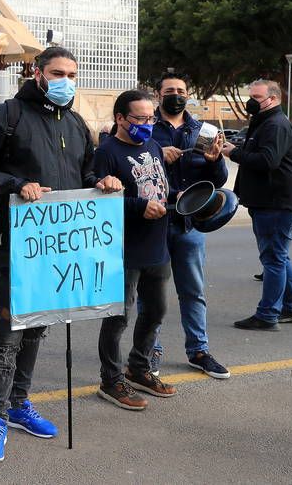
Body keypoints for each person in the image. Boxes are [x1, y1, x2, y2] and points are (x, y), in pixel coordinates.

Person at [0, 46, 122, 463]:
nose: (65, 79)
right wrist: (17, 183)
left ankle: (20, 403)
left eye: (71, 73)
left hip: (57, 247)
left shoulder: (75, 122)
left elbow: (82, 173)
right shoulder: (7, 116)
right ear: (38, 73)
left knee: (37, 327)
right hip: (11, 244)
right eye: (57, 72)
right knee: (9, 329)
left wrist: (100, 182)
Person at [93, 90, 177, 411]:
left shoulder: (153, 145)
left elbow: (160, 186)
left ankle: (139, 368)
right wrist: (138, 207)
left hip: (157, 246)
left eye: (150, 118)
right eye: (139, 119)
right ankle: (110, 380)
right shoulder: (107, 152)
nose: (146, 124)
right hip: (123, 250)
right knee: (118, 317)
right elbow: (99, 200)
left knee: (155, 312)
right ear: (120, 119)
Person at [148, 72, 230, 379]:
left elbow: (218, 180)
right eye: (169, 90)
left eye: (181, 90)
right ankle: (149, 350)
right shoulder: (147, 128)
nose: (176, 95)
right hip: (153, 221)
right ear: (159, 95)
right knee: (151, 293)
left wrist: (214, 160)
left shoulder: (203, 130)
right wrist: (157, 154)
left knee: (193, 291)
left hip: (189, 224)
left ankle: (199, 350)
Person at [222, 79, 292, 331]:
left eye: (256, 97)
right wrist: (236, 148)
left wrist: (233, 154)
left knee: (274, 259)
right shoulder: (265, 123)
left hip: (278, 204)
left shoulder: (275, 124)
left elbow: (267, 160)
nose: (250, 102)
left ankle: (268, 314)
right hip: (270, 202)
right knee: (278, 256)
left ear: (272, 99)